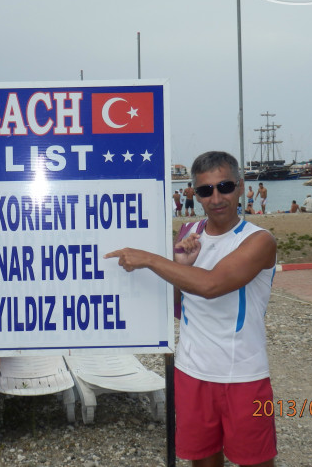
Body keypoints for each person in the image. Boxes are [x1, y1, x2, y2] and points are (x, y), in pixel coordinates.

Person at [105, 151, 278, 467]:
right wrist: (181, 266)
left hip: (244, 376)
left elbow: (211, 286)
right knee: (202, 461)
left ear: (240, 186)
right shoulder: (189, 233)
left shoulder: (259, 240)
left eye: (225, 186)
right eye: (205, 190)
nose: (216, 198)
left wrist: (151, 259)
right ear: (195, 194)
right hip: (191, 372)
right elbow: (178, 303)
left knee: (255, 461)